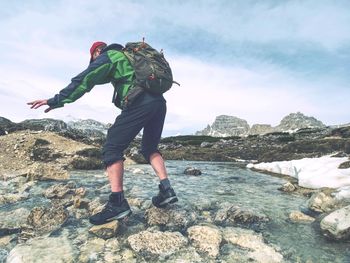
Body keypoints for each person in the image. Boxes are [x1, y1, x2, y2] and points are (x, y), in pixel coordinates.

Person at [27, 41, 178, 225]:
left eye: (93, 59)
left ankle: (117, 203)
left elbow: (84, 79)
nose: (94, 62)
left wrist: (56, 100)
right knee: (149, 148)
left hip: (140, 101)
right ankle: (166, 190)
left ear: (97, 51)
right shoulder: (130, 57)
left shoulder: (110, 56)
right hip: (159, 103)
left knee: (112, 147)